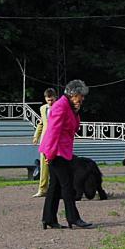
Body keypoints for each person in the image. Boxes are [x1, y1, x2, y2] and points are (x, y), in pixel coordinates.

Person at [39, 80, 92, 229]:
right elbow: (52, 132)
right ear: (74, 94)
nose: (82, 99)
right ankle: (73, 218)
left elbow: (75, 128)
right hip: (56, 151)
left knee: (55, 186)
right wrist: (49, 155)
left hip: (61, 151)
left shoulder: (69, 107)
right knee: (67, 186)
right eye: (81, 96)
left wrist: (76, 112)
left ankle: (48, 218)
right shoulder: (60, 107)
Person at [32, 88, 57, 198]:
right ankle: (42, 189)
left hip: (56, 141)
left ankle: (57, 189)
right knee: (43, 166)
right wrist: (36, 136)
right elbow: (41, 123)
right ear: (45, 99)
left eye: (52, 100)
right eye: (48, 100)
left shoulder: (61, 108)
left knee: (57, 166)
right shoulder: (43, 109)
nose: (50, 102)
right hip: (45, 141)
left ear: (55, 98)